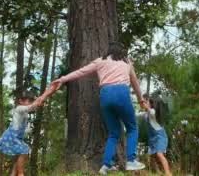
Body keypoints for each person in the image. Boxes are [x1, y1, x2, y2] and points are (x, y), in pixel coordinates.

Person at [50, 42, 147, 175]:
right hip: (122, 93)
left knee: (114, 133)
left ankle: (105, 166)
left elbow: (81, 71)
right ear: (122, 52)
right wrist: (141, 99)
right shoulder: (127, 61)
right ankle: (131, 160)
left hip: (105, 95)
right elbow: (134, 81)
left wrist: (63, 79)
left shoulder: (100, 61)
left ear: (109, 51)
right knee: (132, 128)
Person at [0, 86, 57, 176]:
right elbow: (31, 107)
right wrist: (39, 99)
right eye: (28, 100)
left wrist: (43, 99)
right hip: (12, 136)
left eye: (31, 101)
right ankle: (20, 173)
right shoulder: (19, 109)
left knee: (19, 155)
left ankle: (14, 173)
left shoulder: (25, 113)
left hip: (16, 137)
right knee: (24, 150)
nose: (30, 102)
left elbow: (34, 107)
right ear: (20, 101)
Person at [139, 94, 172, 176]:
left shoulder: (153, 112)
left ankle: (168, 172)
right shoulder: (147, 114)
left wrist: (142, 100)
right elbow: (141, 112)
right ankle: (158, 172)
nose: (146, 103)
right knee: (151, 156)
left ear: (151, 104)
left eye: (148, 102)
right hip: (152, 138)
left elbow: (147, 108)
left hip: (160, 137)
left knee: (159, 154)